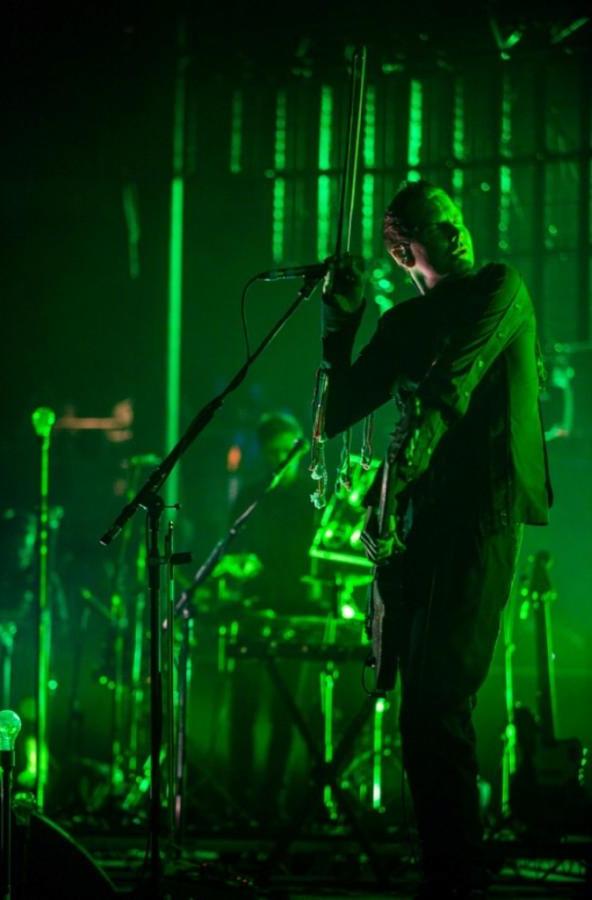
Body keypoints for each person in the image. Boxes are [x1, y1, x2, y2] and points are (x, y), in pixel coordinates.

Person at [320, 180, 552, 899]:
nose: (455, 231)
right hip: (422, 531)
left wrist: (399, 472)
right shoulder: (402, 324)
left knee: (439, 704)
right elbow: (331, 414)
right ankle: (448, 873)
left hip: (483, 517)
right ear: (402, 252)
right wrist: (342, 322)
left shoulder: (499, 288)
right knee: (419, 714)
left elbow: (453, 384)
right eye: (435, 225)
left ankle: (457, 880)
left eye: (454, 218)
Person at [225, 411, 319, 823]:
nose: (283, 459)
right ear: (263, 454)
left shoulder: (314, 498)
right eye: (274, 452)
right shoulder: (251, 496)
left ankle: (273, 802)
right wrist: (237, 568)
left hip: (298, 614)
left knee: (287, 712)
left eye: (289, 451)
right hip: (255, 610)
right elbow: (234, 550)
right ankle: (238, 799)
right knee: (243, 708)